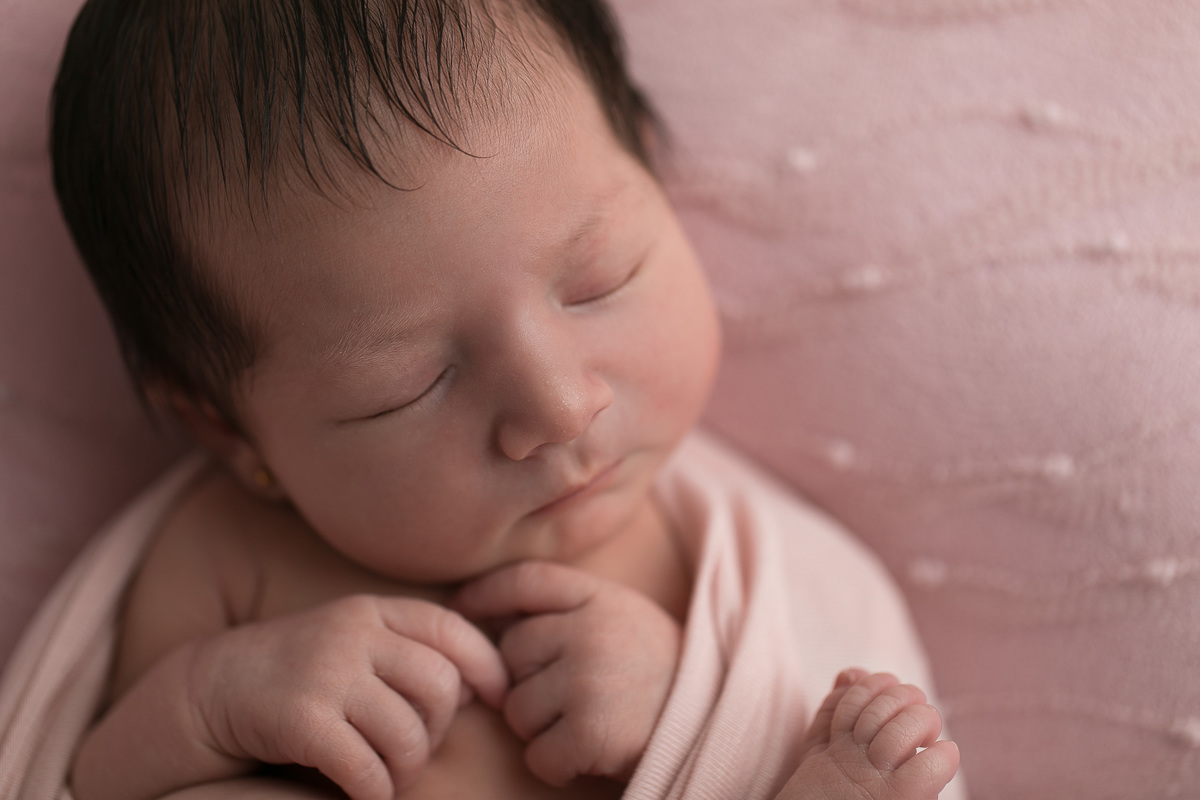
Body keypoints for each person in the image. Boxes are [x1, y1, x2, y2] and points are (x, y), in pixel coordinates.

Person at [50, 1, 961, 798]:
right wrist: (210, 705)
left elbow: (817, 694)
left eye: (600, 281)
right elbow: (85, 781)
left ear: (650, 171)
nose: (560, 409)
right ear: (225, 428)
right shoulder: (224, 556)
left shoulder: (726, 560)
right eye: (407, 385)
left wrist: (686, 711)